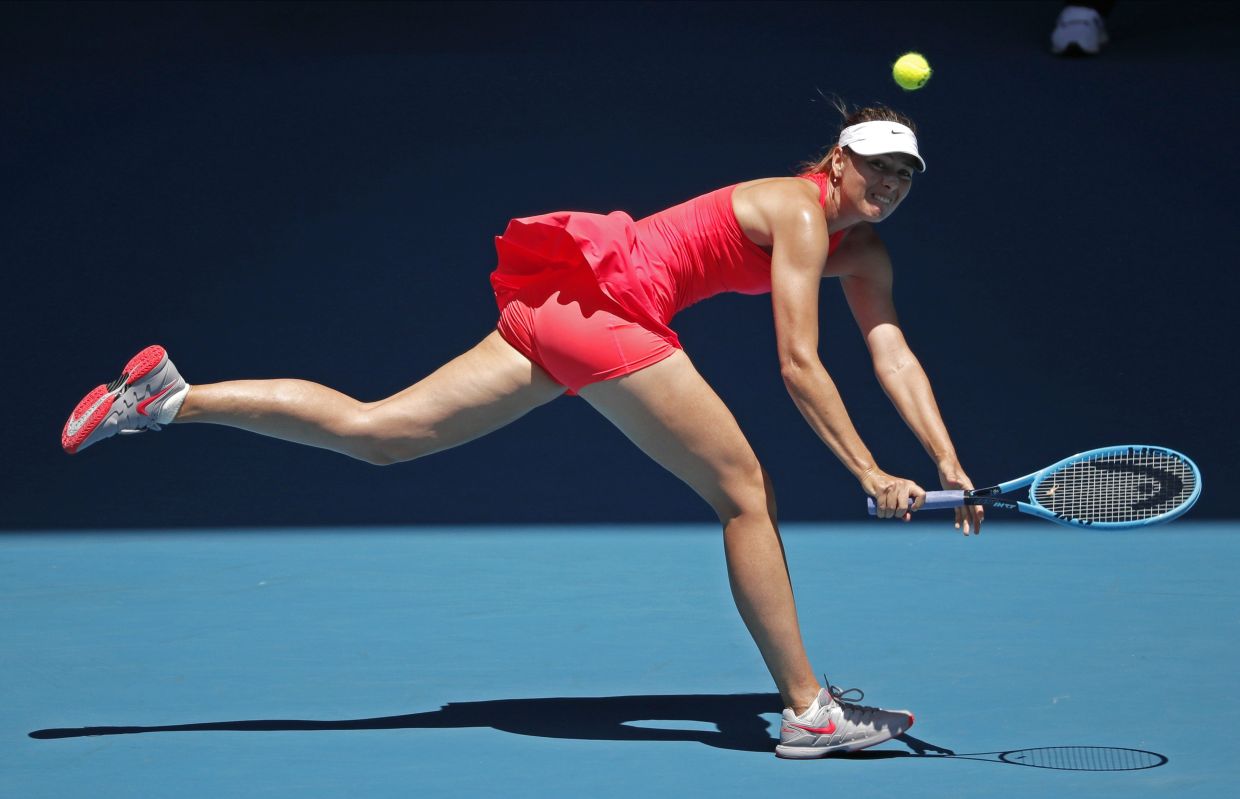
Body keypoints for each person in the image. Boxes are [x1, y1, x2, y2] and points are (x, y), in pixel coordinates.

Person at [61, 101, 983, 759]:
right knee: (745, 494)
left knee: (383, 432)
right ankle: (808, 711)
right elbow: (798, 361)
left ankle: (168, 397)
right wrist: (867, 468)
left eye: (906, 174)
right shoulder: (798, 210)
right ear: (836, 162)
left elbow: (892, 354)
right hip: (613, 306)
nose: (892, 184)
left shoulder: (866, 253)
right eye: (878, 166)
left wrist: (943, 461)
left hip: (563, 301)